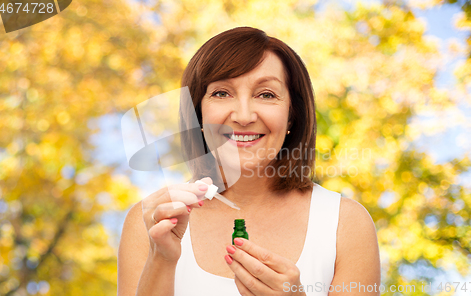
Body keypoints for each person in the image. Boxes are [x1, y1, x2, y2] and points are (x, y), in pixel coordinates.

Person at [118, 26, 380, 296]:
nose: (243, 116)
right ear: (197, 114)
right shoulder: (150, 223)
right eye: (221, 93)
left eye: (266, 94)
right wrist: (161, 259)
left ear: (292, 115)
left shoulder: (345, 223)